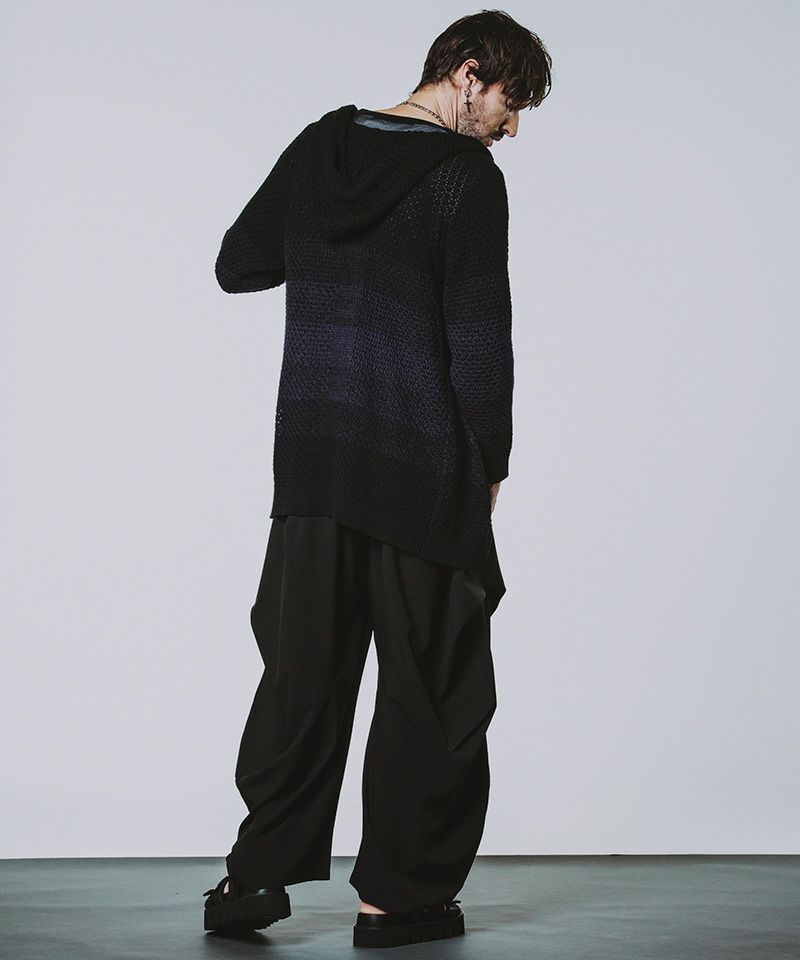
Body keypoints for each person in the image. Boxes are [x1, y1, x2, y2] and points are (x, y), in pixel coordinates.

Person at [203, 9, 552, 949]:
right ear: (468, 73)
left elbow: (240, 262)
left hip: (315, 462)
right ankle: (396, 900)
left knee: (302, 674)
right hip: (418, 465)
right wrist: (490, 462)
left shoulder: (323, 146)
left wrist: (335, 260)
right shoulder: (464, 177)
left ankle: (251, 880)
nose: (512, 125)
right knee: (433, 686)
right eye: (511, 101)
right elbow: (479, 334)